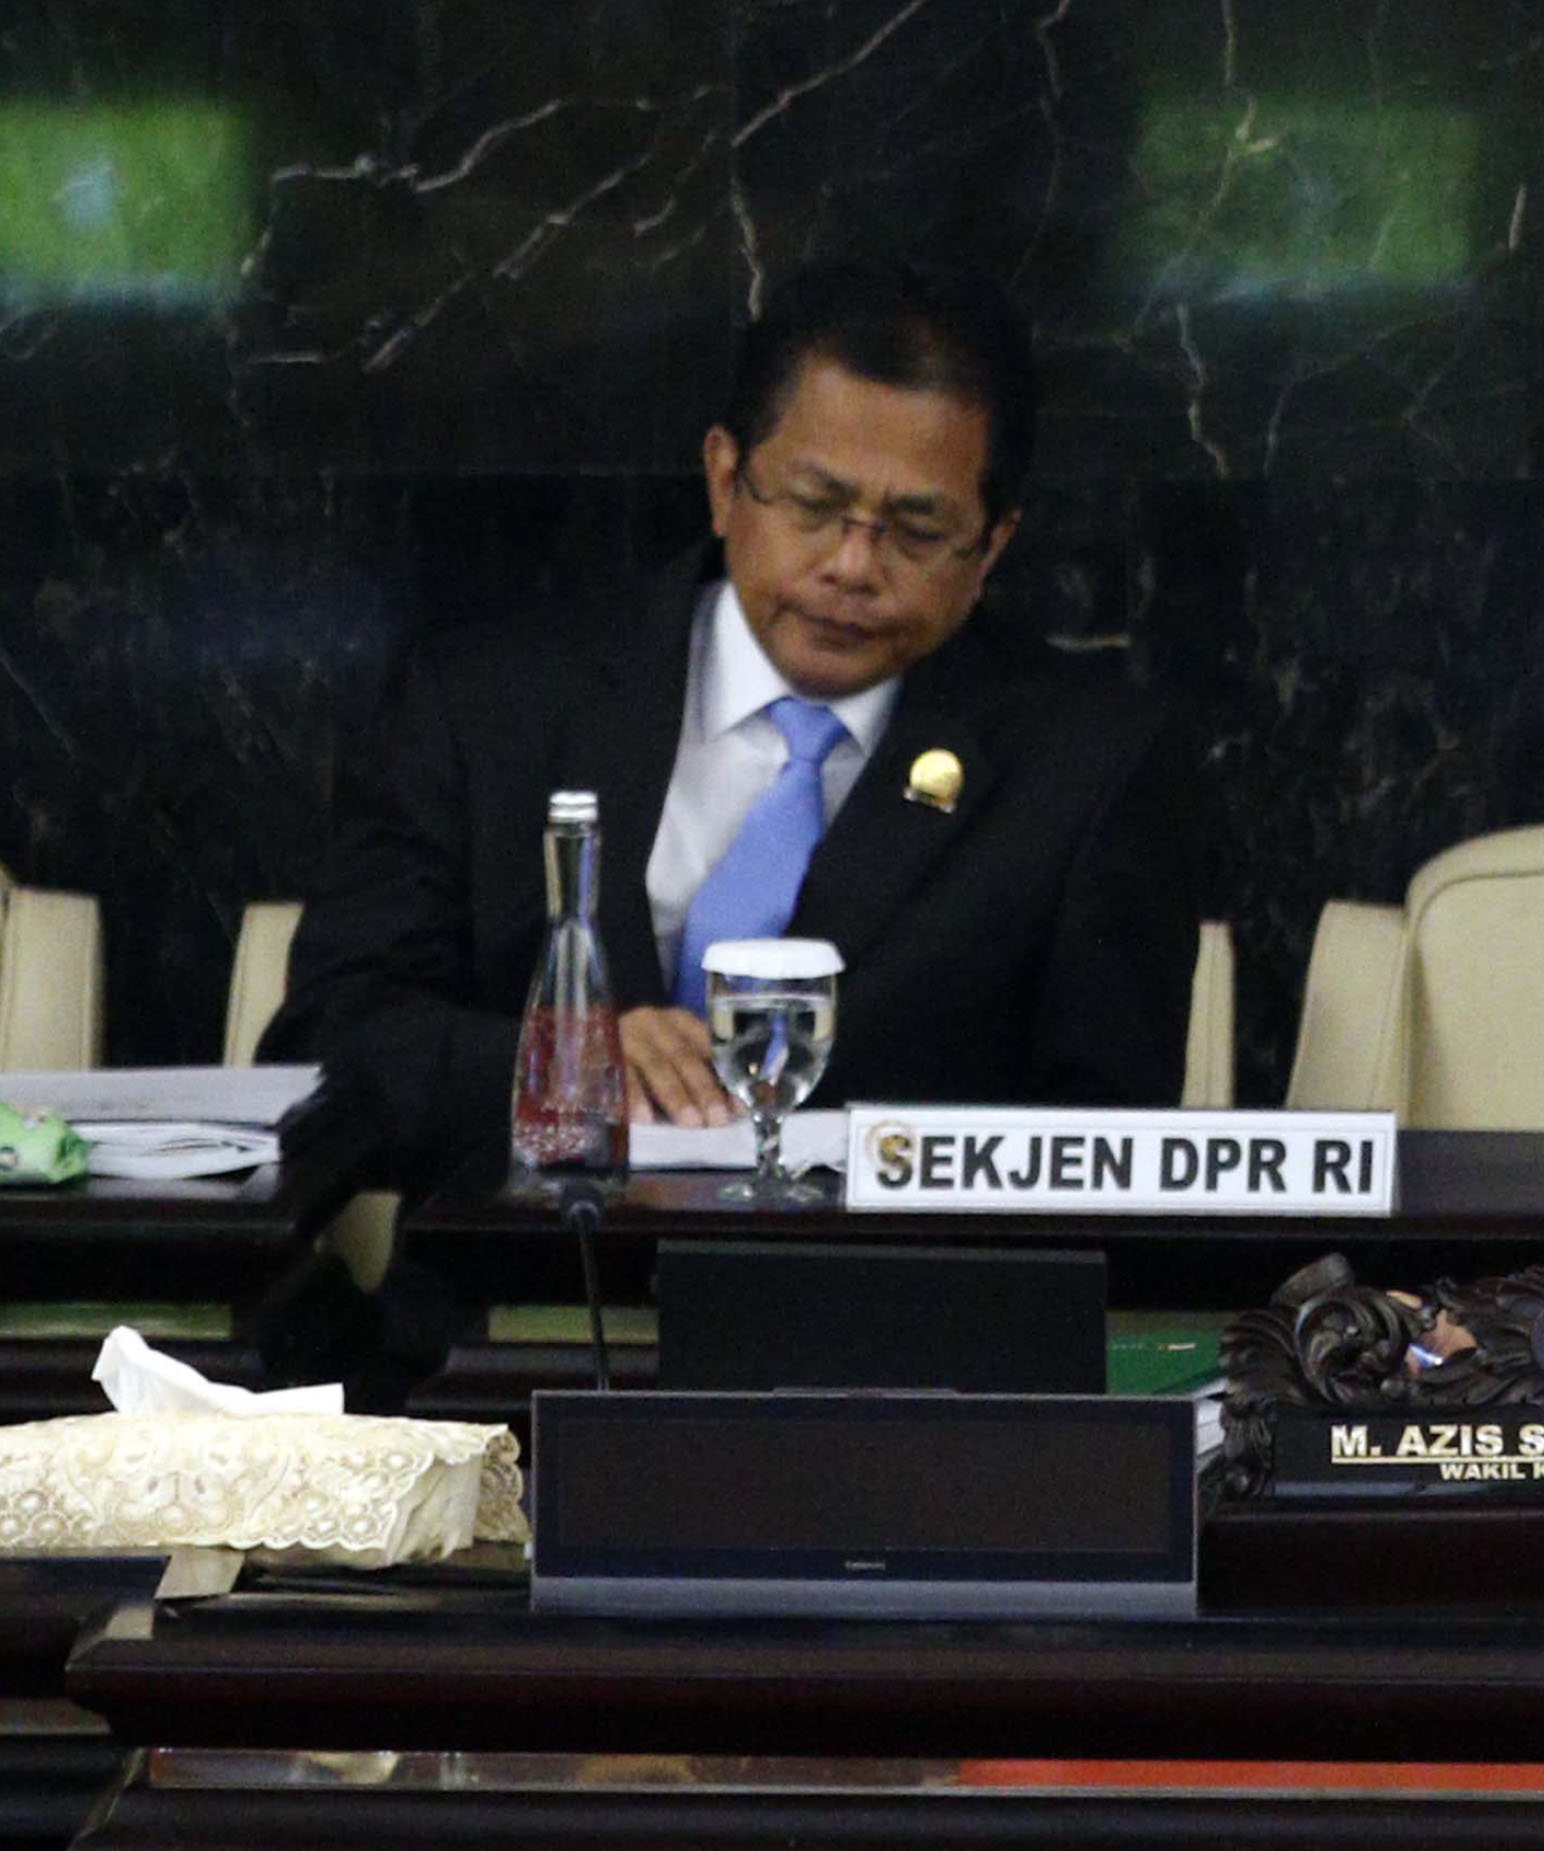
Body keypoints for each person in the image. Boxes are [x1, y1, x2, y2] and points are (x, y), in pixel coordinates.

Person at [277, 259, 1213, 1172]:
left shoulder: (1088, 768)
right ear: (726, 481)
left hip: (889, 1314)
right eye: (815, 506)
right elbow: (330, 1042)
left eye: (918, 531)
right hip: (516, 1300)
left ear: (991, 545)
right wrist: (559, 1063)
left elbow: (1108, 1149)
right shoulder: (489, 706)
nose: (853, 565)